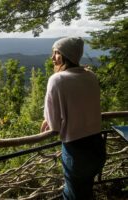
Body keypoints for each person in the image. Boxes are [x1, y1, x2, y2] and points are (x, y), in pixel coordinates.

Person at [40, 37, 106, 200]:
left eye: (56, 53)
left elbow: (54, 125)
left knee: (73, 195)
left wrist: (47, 119)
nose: (53, 57)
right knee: (85, 192)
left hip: (76, 151)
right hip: (97, 147)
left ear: (65, 55)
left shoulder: (57, 80)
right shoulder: (90, 75)